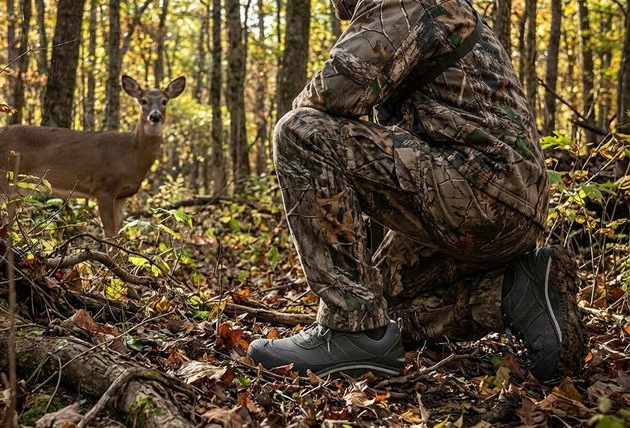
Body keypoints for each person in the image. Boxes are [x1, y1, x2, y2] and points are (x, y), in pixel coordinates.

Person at [247, 0, 586, 382]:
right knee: (383, 308)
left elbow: (332, 92)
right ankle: (513, 295)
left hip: (478, 187)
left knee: (299, 132)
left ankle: (350, 332)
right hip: (497, 200)